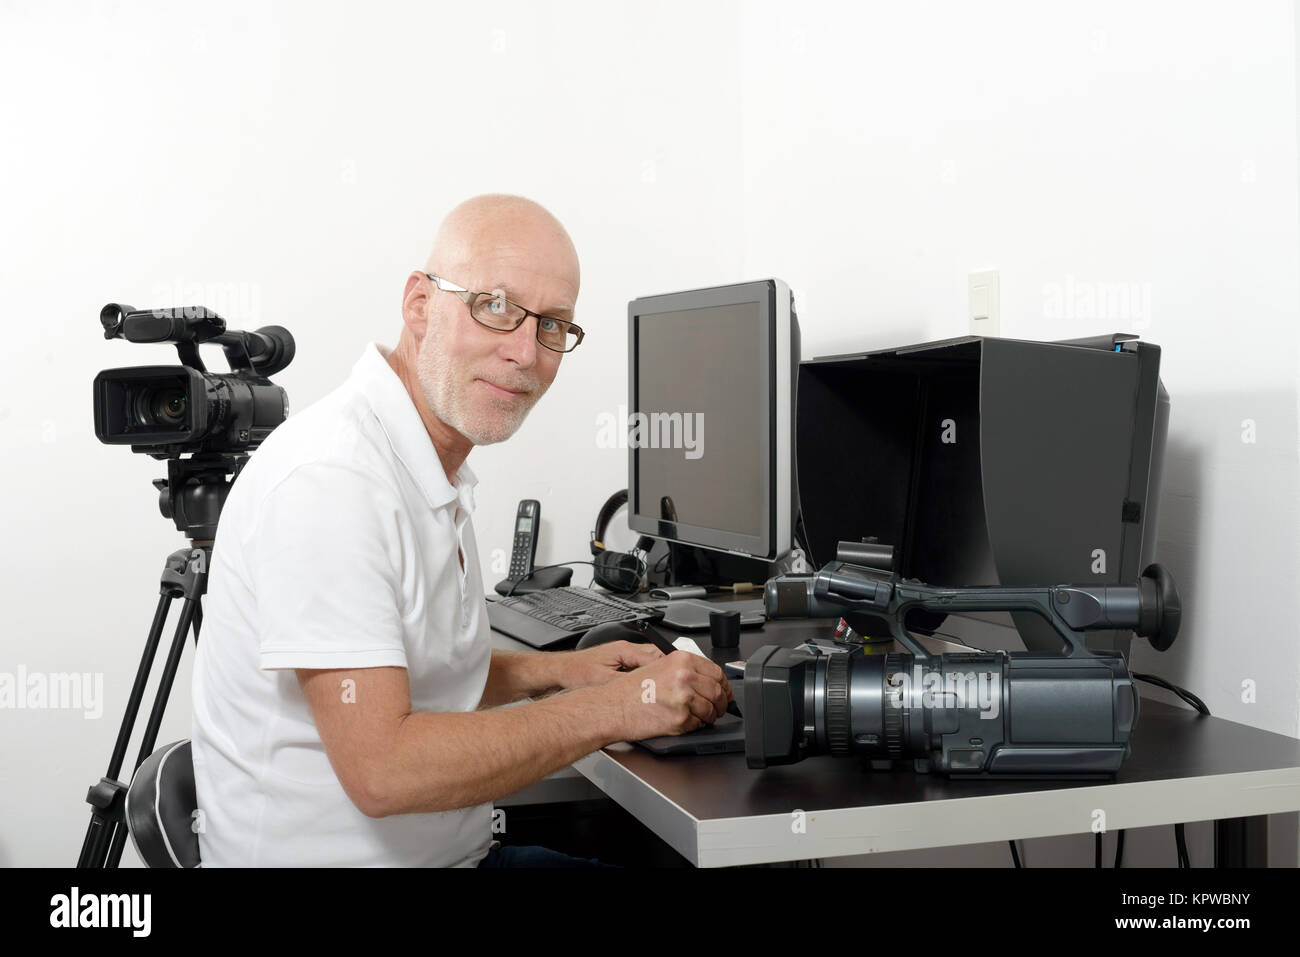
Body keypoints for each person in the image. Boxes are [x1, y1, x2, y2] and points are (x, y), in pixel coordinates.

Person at [190, 194, 732, 867]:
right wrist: (620, 707)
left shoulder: (421, 458)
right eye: (496, 307)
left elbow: (418, 673)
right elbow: (383, 769)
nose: (526, 352)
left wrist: (562, 673)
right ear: (420, 304)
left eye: (553, 325)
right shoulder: (331, 480)